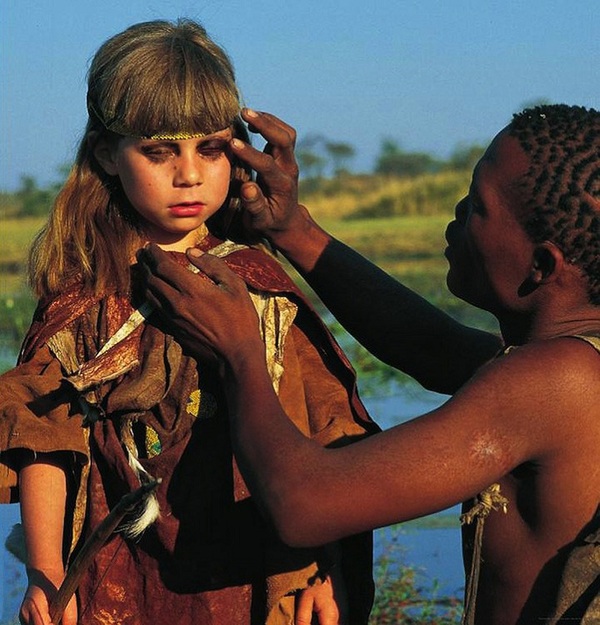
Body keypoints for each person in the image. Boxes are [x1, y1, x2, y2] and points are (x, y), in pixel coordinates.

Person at [138, 104, 600, 624]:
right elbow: (428, 346)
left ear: (541, 265)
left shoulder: (556, 382)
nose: (459, 210)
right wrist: (291, 229)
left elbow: (304, 505)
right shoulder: (565, 364)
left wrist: (239, 352)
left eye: (479, 207)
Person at [0, 20, 379, 625]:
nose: (189, 175)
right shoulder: (82, 300)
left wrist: (325, 569)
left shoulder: (258, 285)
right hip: (118, 576)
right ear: (106, 155)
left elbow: (323, 431)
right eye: (159, 151)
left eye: (210, 148)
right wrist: (46, 574)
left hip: (255, 567)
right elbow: (44, 441)